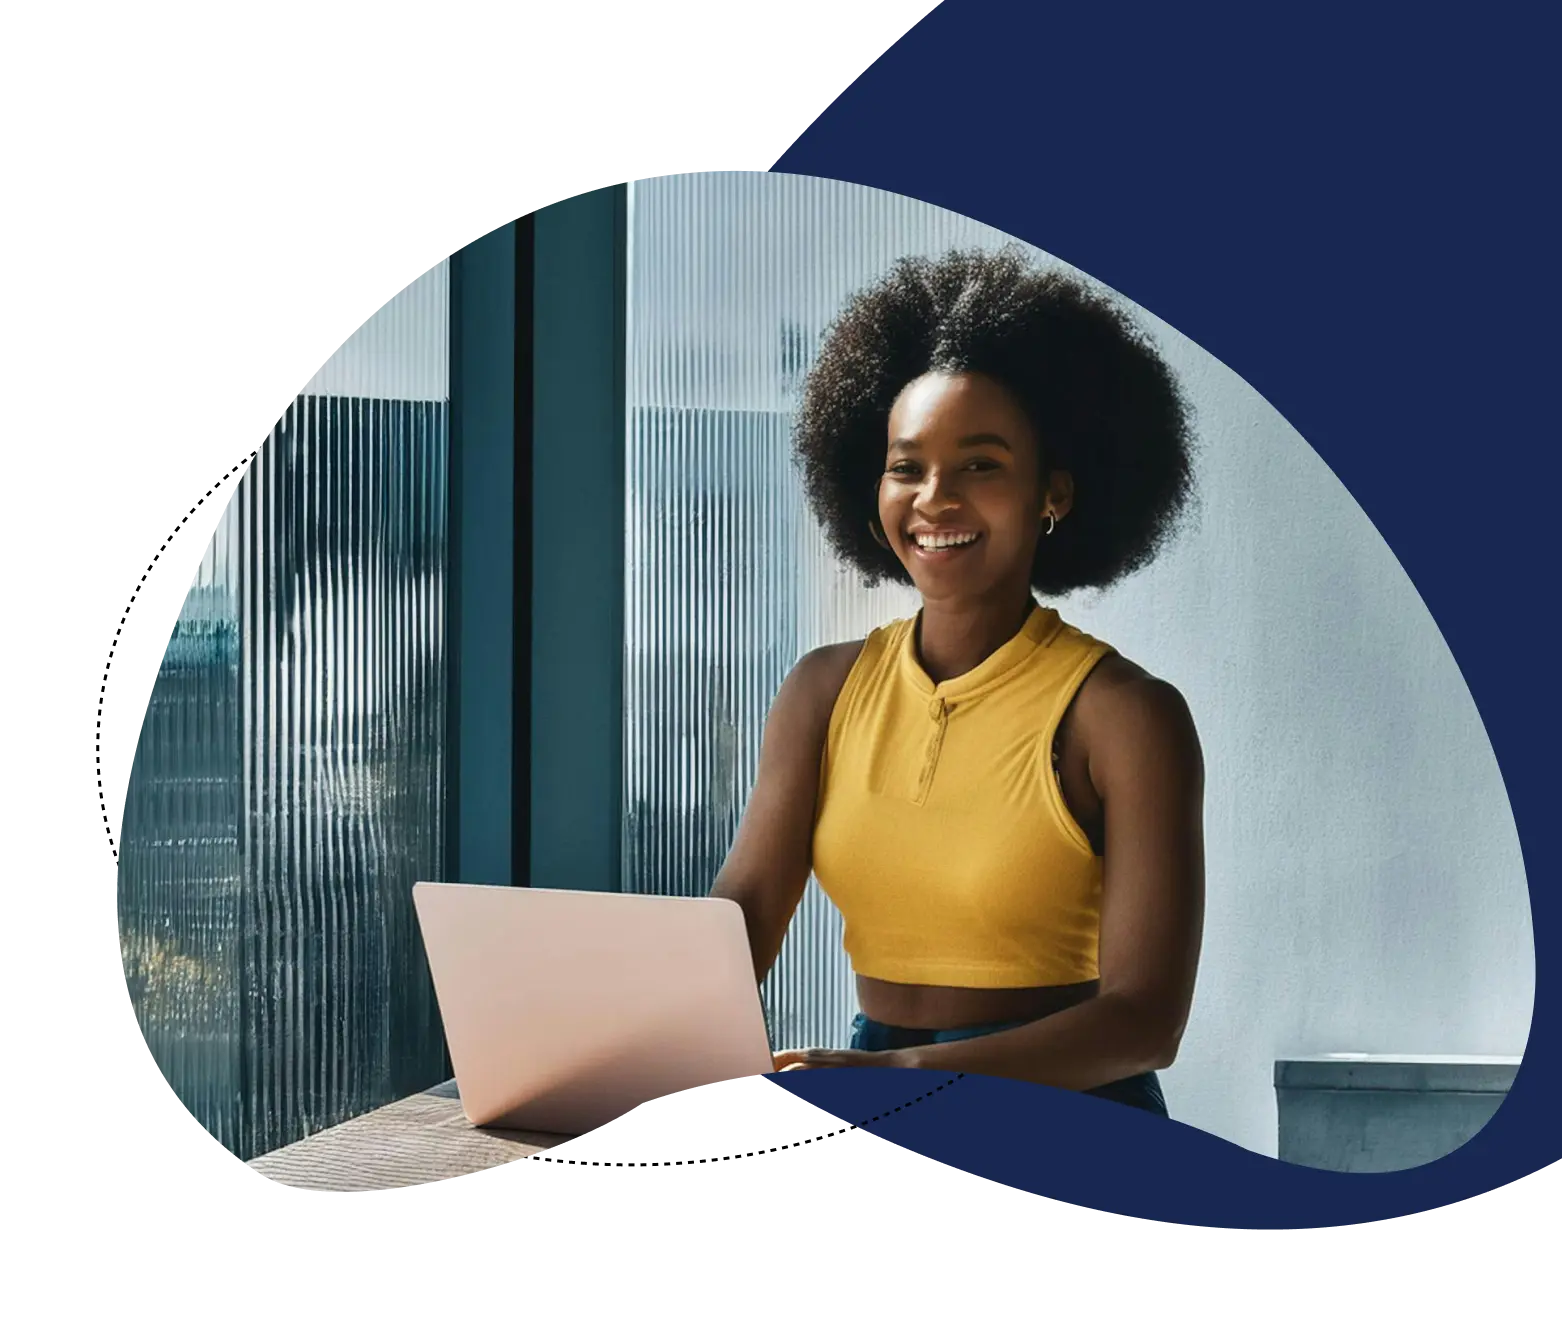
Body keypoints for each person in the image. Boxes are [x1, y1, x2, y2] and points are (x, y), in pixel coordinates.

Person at [711, 246, 1205, 1117]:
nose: (935, 497)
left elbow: (1143, 1024)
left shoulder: (1125, 716)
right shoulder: (823, 692)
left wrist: (899, 1082)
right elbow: (740, 917)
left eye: (979, 464)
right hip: (871, 1080)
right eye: (907, 466)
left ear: (1051, 493)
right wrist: (610, 1022)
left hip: (1069, 1111)